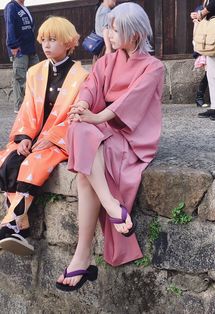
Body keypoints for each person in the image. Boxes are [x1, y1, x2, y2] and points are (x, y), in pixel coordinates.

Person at [56, 2, 164, 292]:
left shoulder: (154, 67)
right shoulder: (107, 60)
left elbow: (131, 103)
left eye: (116, 30)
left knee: (84, 171)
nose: (109, 34)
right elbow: (92, 85)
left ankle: (82, 253)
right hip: (102, 131)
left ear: (136, 36)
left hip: (131, 137)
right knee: (79, 127)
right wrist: (82, 105)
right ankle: (111, 205)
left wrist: (96, 116)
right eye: (110, 28)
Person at [0, 16, 88, 255]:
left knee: (34, 164)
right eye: (44, 40)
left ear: (69, 43)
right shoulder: (35, 72)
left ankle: (12, 224)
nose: (46, 45)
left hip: (58, 138)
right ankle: (19, 226)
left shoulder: (81, 77)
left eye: (53, 40)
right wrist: (23, 137)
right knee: (7, 159)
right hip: (34, 135)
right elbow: (28, 108)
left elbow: (77, 115)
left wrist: (53, 137)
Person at [4, 0, 39, 113]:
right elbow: (10, 25)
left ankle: (33, 103)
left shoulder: (23, 7)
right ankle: (19, 106)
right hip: (19, 49)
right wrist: (13, 45)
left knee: (35, 75)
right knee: (19, 78)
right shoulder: (12, 7)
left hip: (30, 48)